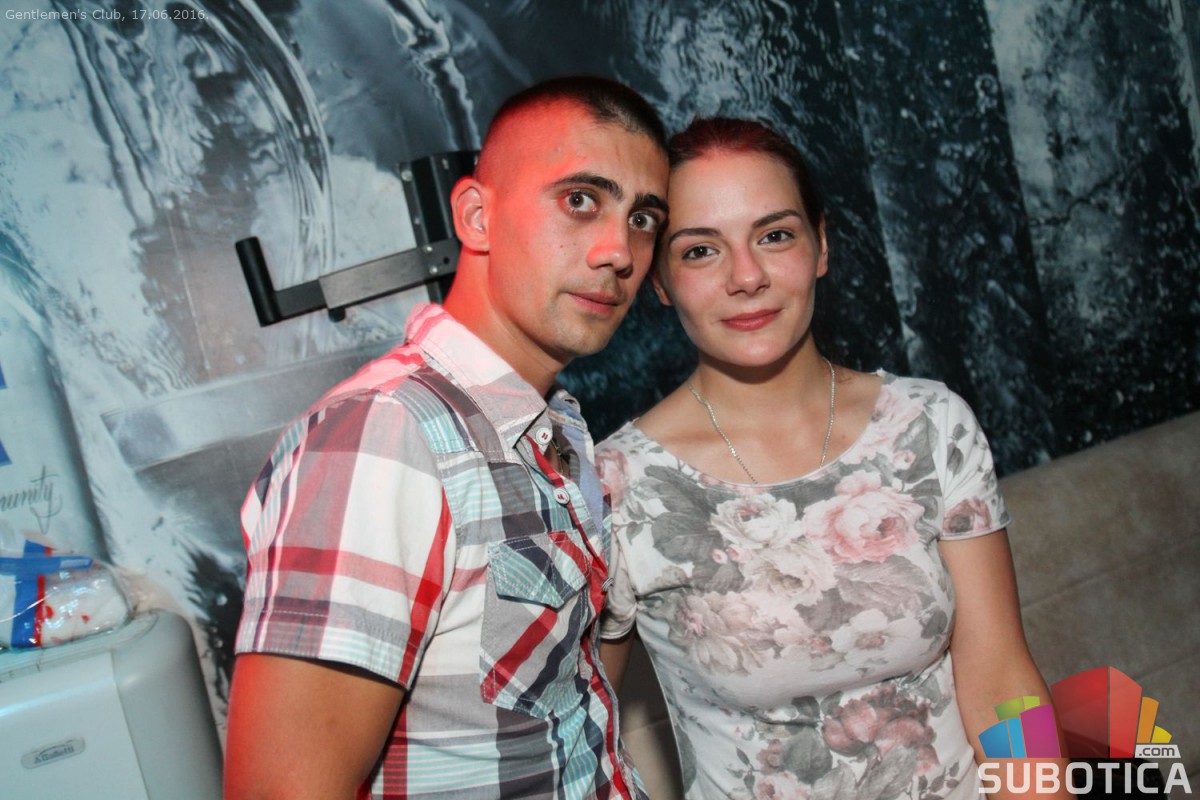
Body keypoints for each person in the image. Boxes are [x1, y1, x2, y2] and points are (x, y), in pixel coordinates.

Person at [224, 75, 669, 800]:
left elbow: (565, 714)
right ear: (476, 217)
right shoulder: (384, 435)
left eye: (643, 218)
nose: (619, 250)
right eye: (580, 200)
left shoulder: (551, 428)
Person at [597, 117, 1066, 799]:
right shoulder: (615, 486)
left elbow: (1004, 682)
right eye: (700, 250)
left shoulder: (929, 425)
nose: (747, 276)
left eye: (774, 236)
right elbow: (582, 738)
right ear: (660, 280)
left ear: (821, 245)